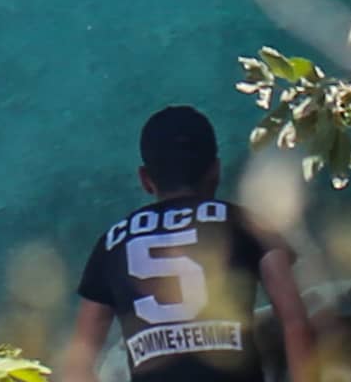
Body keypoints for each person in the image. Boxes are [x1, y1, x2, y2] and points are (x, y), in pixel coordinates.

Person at [61, 107, 311, 382]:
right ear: (215, 170)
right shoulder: (249, 224)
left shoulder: (111, 244)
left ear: (145, 179)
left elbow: (78, 364)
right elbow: (295, 322)